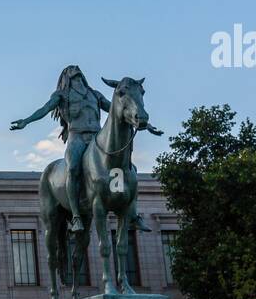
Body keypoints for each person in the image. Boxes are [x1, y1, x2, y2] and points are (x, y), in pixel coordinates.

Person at [11, 65, 162, 233]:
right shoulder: (62, 95)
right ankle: (76, 216)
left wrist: (145, 124)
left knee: (128, 168)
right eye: (71, 71)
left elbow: (119, 109)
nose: (75, 70)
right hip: (77, 138)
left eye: (77, 71)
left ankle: (133, 214)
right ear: (65, 77)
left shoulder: (94, 94)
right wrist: (26, 120)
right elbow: (45, 109)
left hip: (97, 139)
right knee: (73, 167)